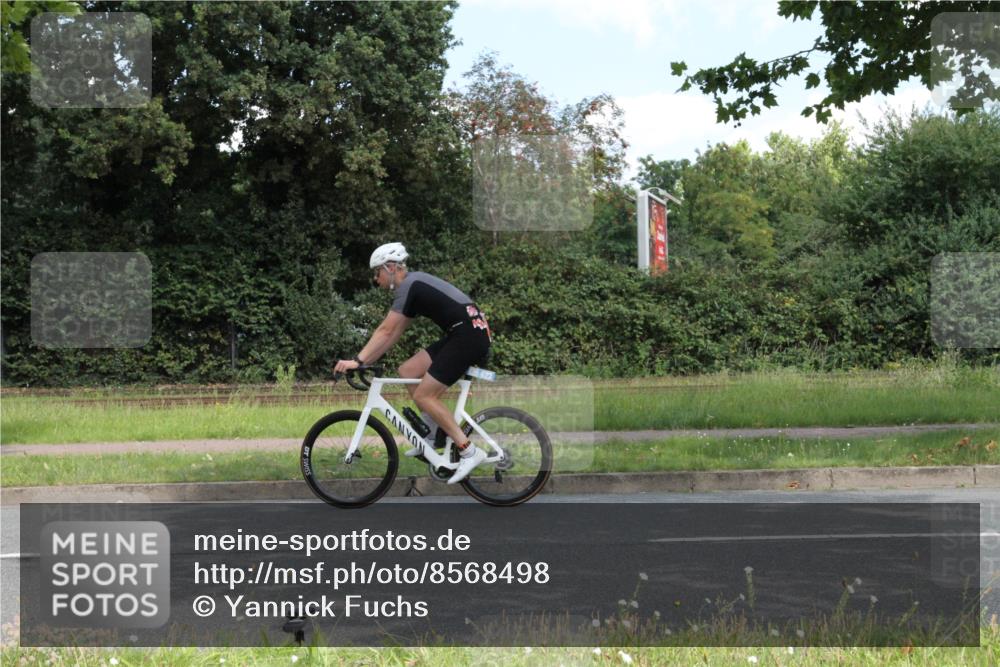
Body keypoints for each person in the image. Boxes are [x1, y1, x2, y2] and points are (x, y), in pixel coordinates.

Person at [333, 242, 493, 484]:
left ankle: (469, 451)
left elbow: (386, 330)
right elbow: (393, 333)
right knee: (408, 370)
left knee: (424, 396)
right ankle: (431, 434)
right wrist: (366, 360)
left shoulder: (409, 285)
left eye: (376, 273)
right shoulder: (413, 286)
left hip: (467, 336)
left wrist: (357, 360)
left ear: (389, 268)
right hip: (465, 333)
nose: (376, 279)